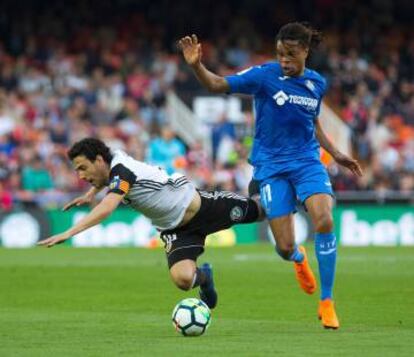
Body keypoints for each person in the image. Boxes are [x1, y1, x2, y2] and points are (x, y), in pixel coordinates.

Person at [178, 22, 363, 329]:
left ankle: (327, 302)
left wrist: (338, 154)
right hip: (272, 168)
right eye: (280, 54)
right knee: (285, 247)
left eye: (290, 54)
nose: (285, 60)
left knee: (325, 219)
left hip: (307, 162)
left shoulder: (316, 83)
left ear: (305, 51)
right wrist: (197, 66)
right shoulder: (263, 76)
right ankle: (299, 259)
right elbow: (217, 85)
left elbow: (313, 123)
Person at [38, 137, 263, 309]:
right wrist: (90, 193)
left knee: (261, 210)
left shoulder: (122, 171)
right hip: (176, 230)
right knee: (183, 280)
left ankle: (262, 169)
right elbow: (105, 176)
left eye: (82, 168)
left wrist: (69, 232)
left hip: (203, 208)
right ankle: (205, 277)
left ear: (98, 160)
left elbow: (107, 208)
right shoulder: (112, 163)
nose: (79, 175)